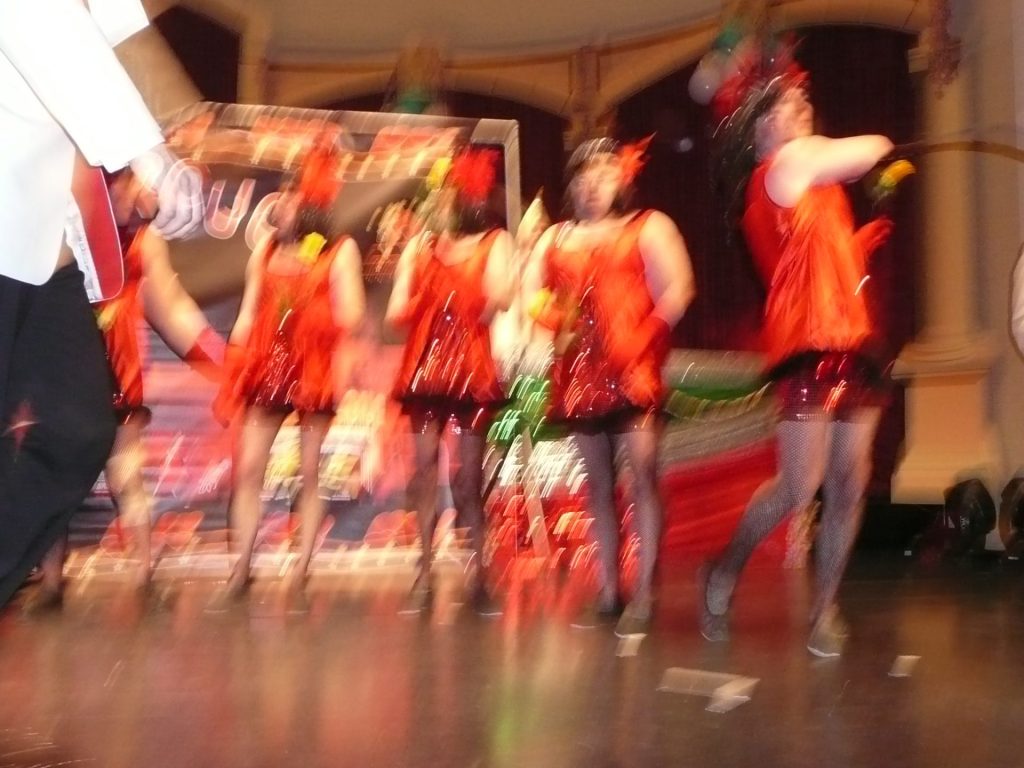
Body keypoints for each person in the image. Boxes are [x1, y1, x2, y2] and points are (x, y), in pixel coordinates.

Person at [0, 0, 204, 609]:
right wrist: (150, 155)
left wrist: (173, 135)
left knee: (79, 430)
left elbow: (116, 22)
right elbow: (44, 21)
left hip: (38, 234)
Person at [699, 62, 895, 657]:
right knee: (798, 486)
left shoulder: (817, 183)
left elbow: (815, 259)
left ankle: (824, 608)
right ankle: (726, 565)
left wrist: (853, 248)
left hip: (852, 340)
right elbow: (869, 150)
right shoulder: (781, 169)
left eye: (804, 99)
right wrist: (882, 146)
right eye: (785, 103)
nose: (802, 105)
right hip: (807, 346)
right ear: (760, 129)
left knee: (849, 482)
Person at [26, 173, 224, 609]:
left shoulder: (142, 241)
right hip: (63, 371)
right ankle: (52, 583)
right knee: (56, 473)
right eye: (126, 184)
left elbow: (171, 306)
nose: (138, 195)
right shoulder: (60, 229)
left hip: (117, 375)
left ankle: (144, 575)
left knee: (126, 477)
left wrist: (223, 363)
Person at [526, 138, 695, 636]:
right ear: (572, 185)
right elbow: (531, 295)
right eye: (584, 176)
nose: (593, 185)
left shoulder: (649, 225)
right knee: (597, 485)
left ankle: (644, 589)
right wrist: (553, 319)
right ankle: (607, 589)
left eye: (604, 175)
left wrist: (642, 337)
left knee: (642, 473)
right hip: (580, 376)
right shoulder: (554, 238)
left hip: (633, 372)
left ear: (622, 179)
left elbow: (678, 289)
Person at [213, 141, 365, 607]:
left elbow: (353, 315)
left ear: (310, 203)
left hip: (313, 370)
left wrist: (310, 310)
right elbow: (246, 315)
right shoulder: (264, 251)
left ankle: (300, 571)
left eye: (290, 196)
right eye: (281, 195)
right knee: (249, 470)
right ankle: (241, 569)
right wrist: (233, 369)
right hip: (266, 369)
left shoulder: (338, 251)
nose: (280, 203)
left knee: (310, 472)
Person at [386, 148, 513, 615]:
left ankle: (480, 573)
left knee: (469, 477)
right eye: (439, 195)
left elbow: (500, 298)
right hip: (424, 371)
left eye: (453, 194)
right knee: (423, 471)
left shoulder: (495, 242)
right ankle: (423, 569)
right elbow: (396, 313)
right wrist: (422, 291)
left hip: (471, 370)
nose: (444, 202)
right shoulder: (419, 250)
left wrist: (462, 293)